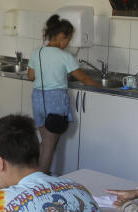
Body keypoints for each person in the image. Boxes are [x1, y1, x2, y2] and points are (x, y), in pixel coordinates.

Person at [27, 15, 99, 173]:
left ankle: (34, 176)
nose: (68, 43)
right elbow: (85, 79)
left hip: (38, 99)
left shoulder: (37, 52)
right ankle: (40, 181)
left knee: (45, 142)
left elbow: (31, 76)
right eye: (69, 39)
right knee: (49, 145)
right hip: (55, 101)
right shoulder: (65, 57)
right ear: (61, 36)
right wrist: (102, 87)